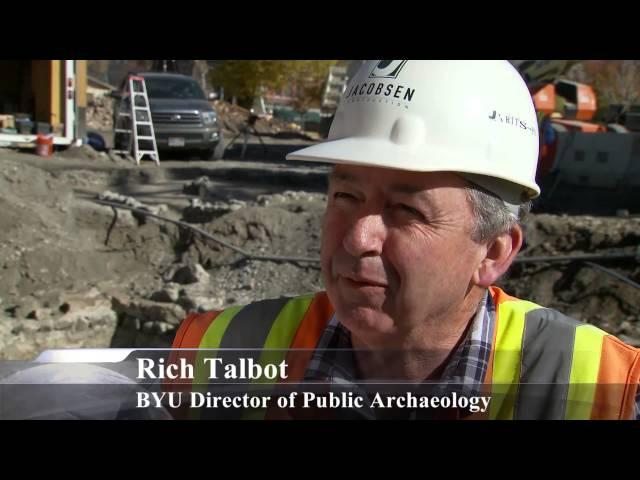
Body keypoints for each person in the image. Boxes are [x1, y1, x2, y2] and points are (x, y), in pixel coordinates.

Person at [171, 60, 640, 420]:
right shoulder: (213, 352)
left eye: (407, 210)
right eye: (346, 196)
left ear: (494, 252)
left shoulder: (607, 389)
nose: (358, 238)